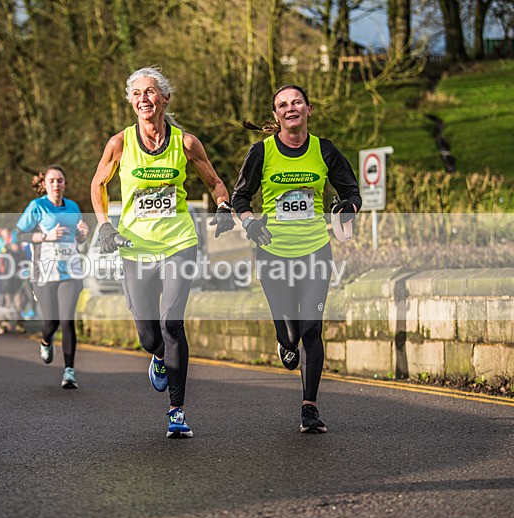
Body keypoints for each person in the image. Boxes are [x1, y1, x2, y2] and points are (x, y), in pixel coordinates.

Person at [90, 67, 236, 437]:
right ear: (131, 102)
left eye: (151, 92)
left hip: (178, 244)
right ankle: (156, 356)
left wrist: (222, 205)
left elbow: (216, 182)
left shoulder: (185, 144)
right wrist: (105, 224)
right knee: (149, 336)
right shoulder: (119, 144)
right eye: (137, 93)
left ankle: (177, 411)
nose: (144, 99)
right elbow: (98, 184)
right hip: (135, 247)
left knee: (173, 324)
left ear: (165, 98)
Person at [232, 84, 362, 433]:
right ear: (276, 115)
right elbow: (240, 197)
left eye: (296, 102)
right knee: (290, 337)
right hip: (273, 253)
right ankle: (283, 342)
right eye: (282, 105)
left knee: (311, 330)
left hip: (315, 252)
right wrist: (249, 223)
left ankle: (310, 408)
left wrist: (346, 206)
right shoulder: (262, 152)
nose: (290, 108)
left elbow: (351, 191)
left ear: (309, 109)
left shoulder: (325, 150)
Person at [17, 166, 89, 388]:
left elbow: (77, 239)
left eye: (60, 180)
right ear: (45, 185)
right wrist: (44, 236)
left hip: (70, 272)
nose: (56, 184)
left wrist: (82, 234)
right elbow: (18, 235)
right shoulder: (37, 207)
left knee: (67, 320)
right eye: (52, 181)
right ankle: (46, 340)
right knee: (51, 321)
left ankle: (69, 371)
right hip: (44, 272)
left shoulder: (73, 207)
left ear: (65, 183)